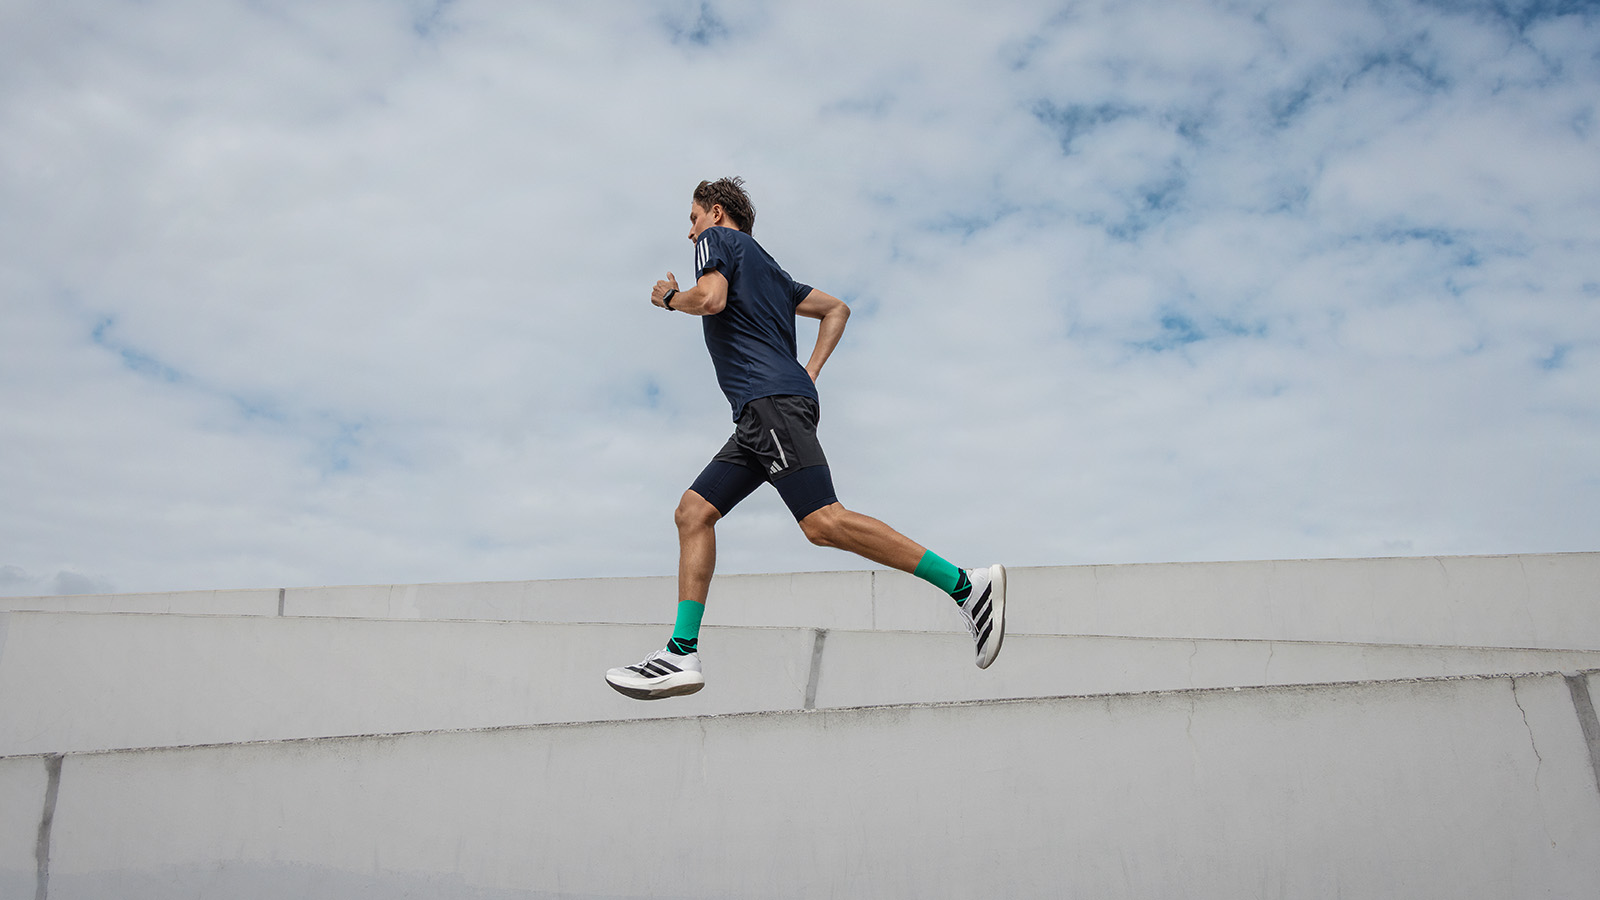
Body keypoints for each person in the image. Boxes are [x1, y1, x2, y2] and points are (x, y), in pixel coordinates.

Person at [605, 177, 1006, 700]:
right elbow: (836, 308)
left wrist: (670, 298)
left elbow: (709, 299)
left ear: (717, 212)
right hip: (764, 410)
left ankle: (966, 586)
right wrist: (809, 373)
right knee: (693, 512)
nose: (689, 232)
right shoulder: (771, 271)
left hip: (768, 403)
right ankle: (681, 653)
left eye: (693, 217)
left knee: (822, 521)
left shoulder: (719, 243)